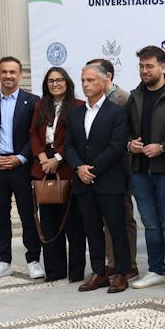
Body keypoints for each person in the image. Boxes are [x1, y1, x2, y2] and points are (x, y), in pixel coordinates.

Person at [0, 56, 42, 279]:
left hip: (22, 168)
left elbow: (36, 134)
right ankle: (3, 261)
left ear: (20, 75)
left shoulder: (33, 101)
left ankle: (33, 261)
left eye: (13, 72)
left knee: (28, 216)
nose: (8, 76)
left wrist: (21, 158)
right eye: (4, 72)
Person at [127, 45, 165, 292]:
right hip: (140, 171)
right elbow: (125, 130)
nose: (144, 71)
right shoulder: (135, 96)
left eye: (149, 66)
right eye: (141, 66)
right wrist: (129, 144)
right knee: (151, 225)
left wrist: (162, 147)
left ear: (163, 67)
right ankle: (155, 270)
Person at [64, 64, 130, 293]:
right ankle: (99, 272)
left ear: (103, 82)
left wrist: (92, 169)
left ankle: (121, 273)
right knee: (91, 230)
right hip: (83, 182)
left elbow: (116, 146)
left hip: (108, 180)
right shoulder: (75, 113)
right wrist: (78, 167)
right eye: (83, 80)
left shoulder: (117, 112)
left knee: (117, 229)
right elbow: (68, 145)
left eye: (90, 80)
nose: (85, 84)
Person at [29, 67, 86, 282]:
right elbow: (33, 134)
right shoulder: (40, 105)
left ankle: (76, 272)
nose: (55, 84)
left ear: (67, 82)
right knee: (49, 223)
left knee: (73, 223)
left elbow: (77, 137)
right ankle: (54, 271)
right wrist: (43, 158)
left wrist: (58, 159)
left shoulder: (78, 106)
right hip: (43, 166)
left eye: (59, 80)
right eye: (51, 81)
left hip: (67, 165)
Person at [89, 58, 138, 278]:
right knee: (106, 219)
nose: (88, 82)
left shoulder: (124, 99)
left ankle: (130, 264)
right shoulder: (92, 101)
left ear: (107, 76)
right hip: (99, 169)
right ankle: (112, 262)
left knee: (124, 217)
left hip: (122, 167)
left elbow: (131, 133)